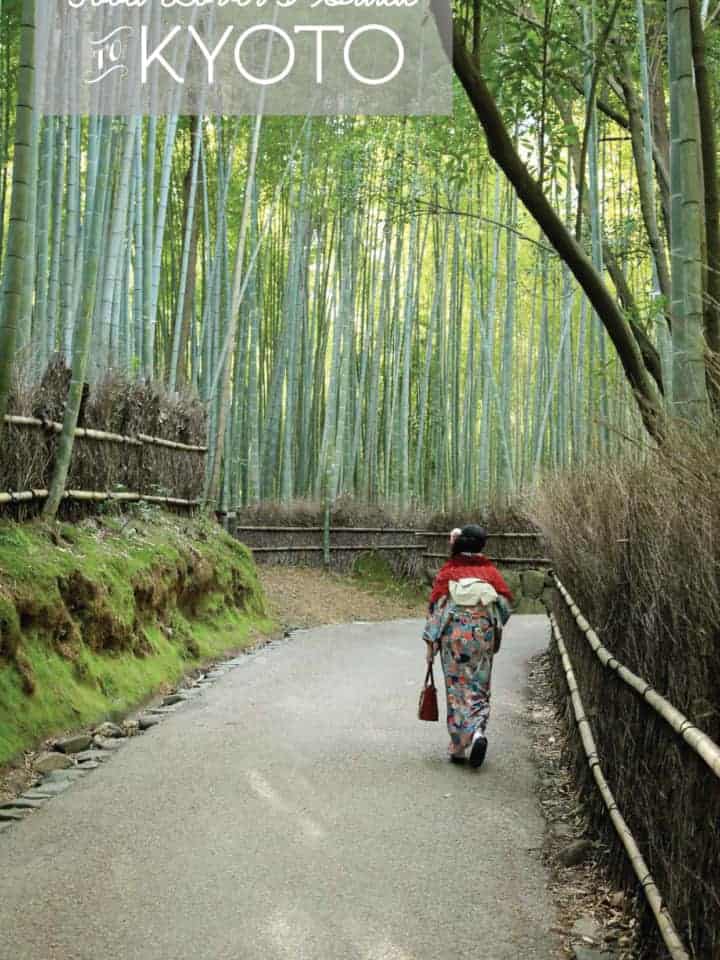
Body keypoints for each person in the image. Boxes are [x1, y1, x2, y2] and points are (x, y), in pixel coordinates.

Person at [423, 524, 513, 768]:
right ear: (482, 545)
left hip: (454, 637)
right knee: (479, 685)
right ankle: (478, 732)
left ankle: (460, 745)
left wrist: (431, 644)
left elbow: (437, 608)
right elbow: (505, 606)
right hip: (482, 636)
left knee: (457, 689)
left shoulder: (449, 572)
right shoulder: (491, 573)